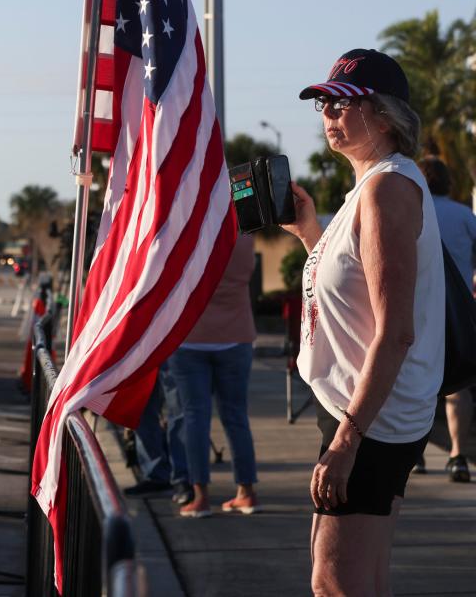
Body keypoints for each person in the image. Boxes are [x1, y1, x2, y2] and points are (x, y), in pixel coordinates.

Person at [284, 48, 443, 595]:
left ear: (384, 115)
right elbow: (351, 294)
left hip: (370, 418)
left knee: (335, 584)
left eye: (341, 104)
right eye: (323, 105)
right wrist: (310, 233)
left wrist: (348, 440)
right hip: (366, 411)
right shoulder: (372, 187)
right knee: (360, 581)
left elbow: (396, 328)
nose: (328, 115)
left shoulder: (387, 189)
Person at [165, 233, 259, 518]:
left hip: (190, 337)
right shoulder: (243, 237)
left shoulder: (190, 231)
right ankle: (246, 492)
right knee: (236, 417)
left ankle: (200, 496)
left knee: (194, 417)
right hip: (236, 335)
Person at [418, 155, 473, 482]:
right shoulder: (464, 214)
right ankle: (457, 455)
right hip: (459, 313)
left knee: (416, 384)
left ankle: (417, 456)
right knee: (459, 388)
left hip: (419, 309)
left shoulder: (414, 209)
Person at [124, 366, 192, 504]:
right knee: (141, 408)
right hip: (142, 348)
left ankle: (181, 479)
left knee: (178, 413)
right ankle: (157, 476)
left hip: (171, 349)